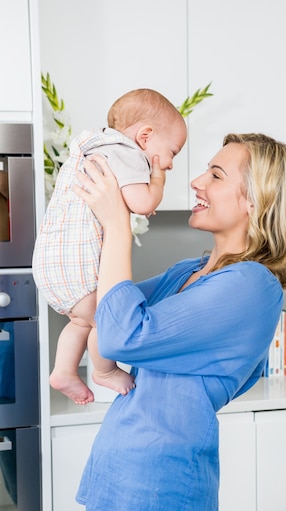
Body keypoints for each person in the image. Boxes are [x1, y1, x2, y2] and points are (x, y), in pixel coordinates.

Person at [72, 132, 286, 511]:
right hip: (113, 475)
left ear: (256, 200)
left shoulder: (252, 285)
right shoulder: (187, 271)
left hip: (160, 490)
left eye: (215, 175)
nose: (196, 181)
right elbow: (100, 311)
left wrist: (118, 225)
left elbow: (119, 335)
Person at [33, 88, 187, 405]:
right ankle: (104, 371)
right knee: (107, 319)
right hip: (76, 266)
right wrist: (156, 180)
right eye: (172, 151)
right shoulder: (126, 153)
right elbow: (143, 203)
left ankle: (63, 370)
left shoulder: (96, 148)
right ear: (145, 136)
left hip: (51, 263)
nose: (170, 163)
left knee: (80, 321)